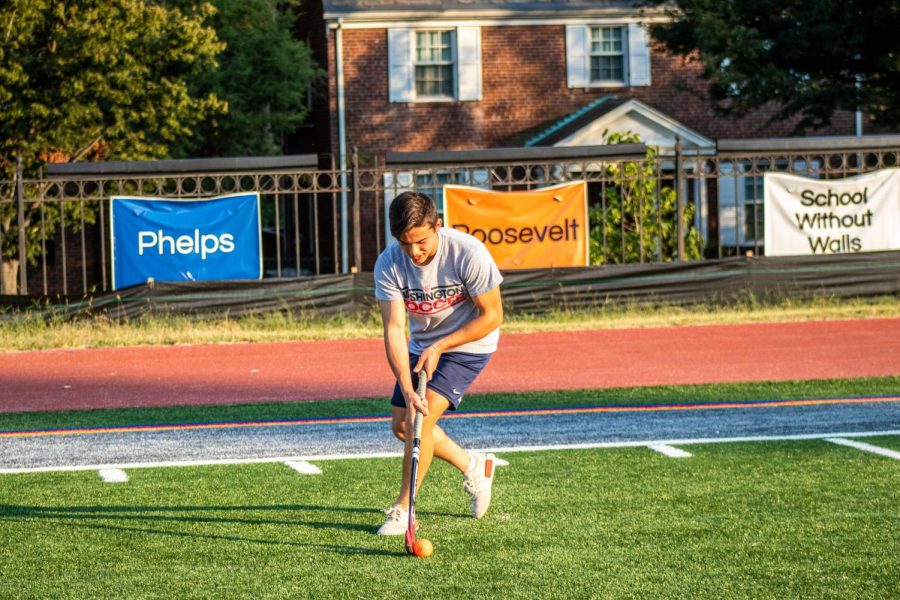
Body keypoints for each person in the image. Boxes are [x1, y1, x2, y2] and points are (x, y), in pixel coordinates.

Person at [373, 191, 504, 535]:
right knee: (402, 426)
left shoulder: (468, 252)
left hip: (469, 343)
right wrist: (405, 383)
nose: (414, 253)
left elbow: (492, 315)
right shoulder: (389, 264)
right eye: (405, 244)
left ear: (438, 226)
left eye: (421, 242)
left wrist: (442, 345)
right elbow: (394, 327)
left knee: (421, 418)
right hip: (422, 344)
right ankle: (474, 466)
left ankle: (404, 510)